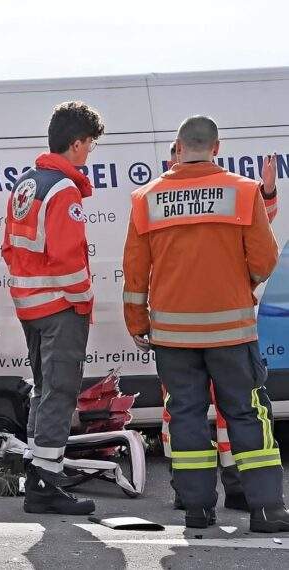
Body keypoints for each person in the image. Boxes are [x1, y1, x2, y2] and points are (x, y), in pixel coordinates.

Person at [123, 115, 287, 532]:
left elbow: (135, 271)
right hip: (231, 333)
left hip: (174, 337)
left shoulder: (146, 197)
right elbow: (266, 260)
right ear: (217, 147)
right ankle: (266, 510)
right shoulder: (243, 191)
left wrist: (137, 320)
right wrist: (238, 281)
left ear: (179, 146)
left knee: (186, 418)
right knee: (248, 414)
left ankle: (197, 511)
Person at [159, 143, 280, 512]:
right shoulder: (165, 199)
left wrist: (268, 191)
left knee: (199, 413)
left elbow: (258, 226)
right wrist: (244, 286)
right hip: (219, 328)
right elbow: (260, 248)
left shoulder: (205, 196)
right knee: (213, 411)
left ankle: (214, 494)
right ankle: (200, 491)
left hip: (183, 331)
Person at [1, 101, 104, 515]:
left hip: (30, 306)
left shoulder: (26, 183)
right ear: (77, 144)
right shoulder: (62, 189)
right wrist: (83, 302)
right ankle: (45, 484)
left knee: (44, 390)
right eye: (90, 145)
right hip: (61, 307)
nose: (90, 153)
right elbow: (67, 258)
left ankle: (36, 471)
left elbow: (9, 248)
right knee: (60, 392)